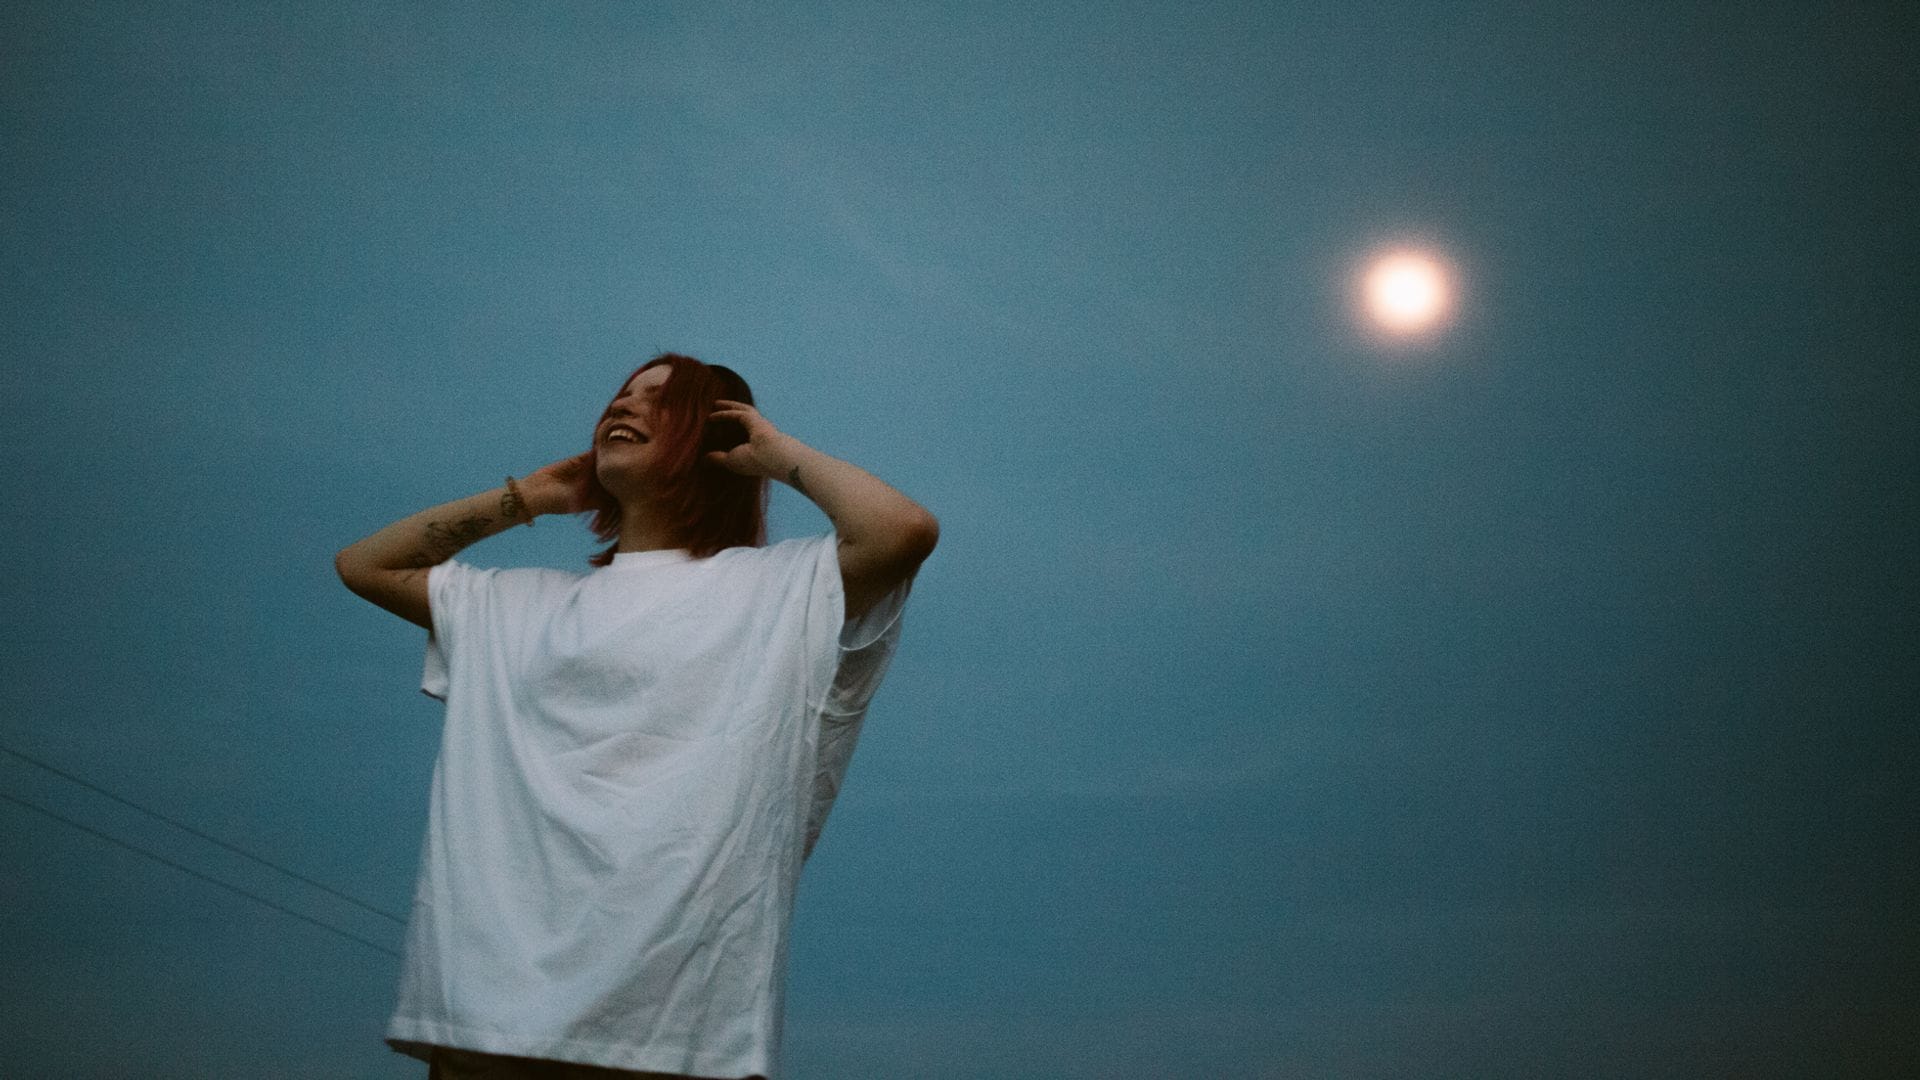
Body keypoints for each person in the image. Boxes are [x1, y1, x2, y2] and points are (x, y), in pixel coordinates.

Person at [335, 353, 938, 1080]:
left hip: (669, 1027)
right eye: (621, 394)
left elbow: (901, 529)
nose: (625, 406)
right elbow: (366, 566)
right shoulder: (518, 603)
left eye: (662, 399)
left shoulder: (779, 588)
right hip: (485, 1019)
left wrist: (780, 458)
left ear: (715, 436)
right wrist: (528, 496)